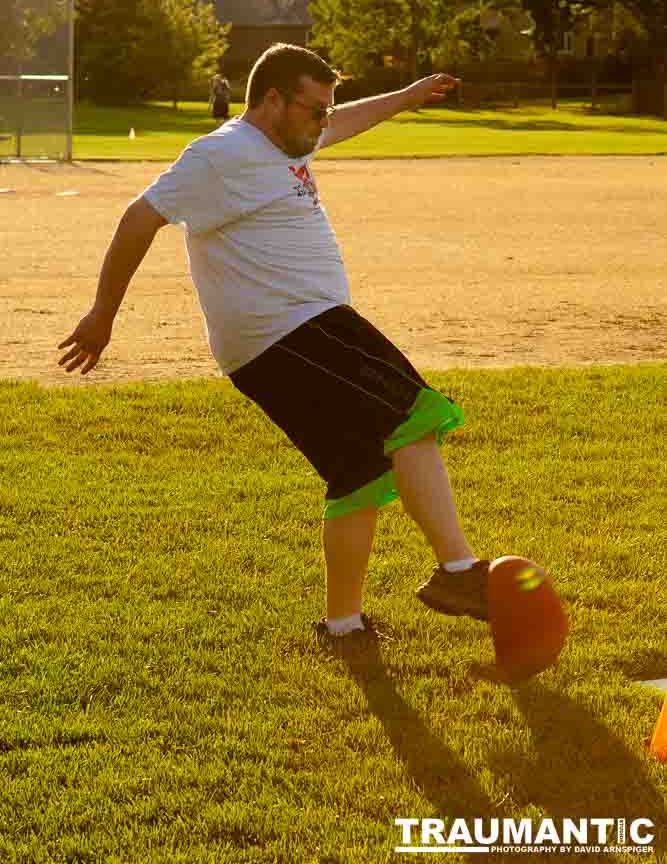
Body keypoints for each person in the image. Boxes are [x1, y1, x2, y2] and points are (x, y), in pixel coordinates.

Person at [58, 43, 489, 646]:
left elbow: (344, 120)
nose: (323, 123)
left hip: (282, 338)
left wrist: (410, 95)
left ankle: (344, 625)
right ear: (271, 101)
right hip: (292, 327)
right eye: (314, 110)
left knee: (357, 470)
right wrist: (103, 314)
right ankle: (458, 571)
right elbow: (139, 215)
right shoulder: (222, 154)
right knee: (414, 413)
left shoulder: (288, 138)